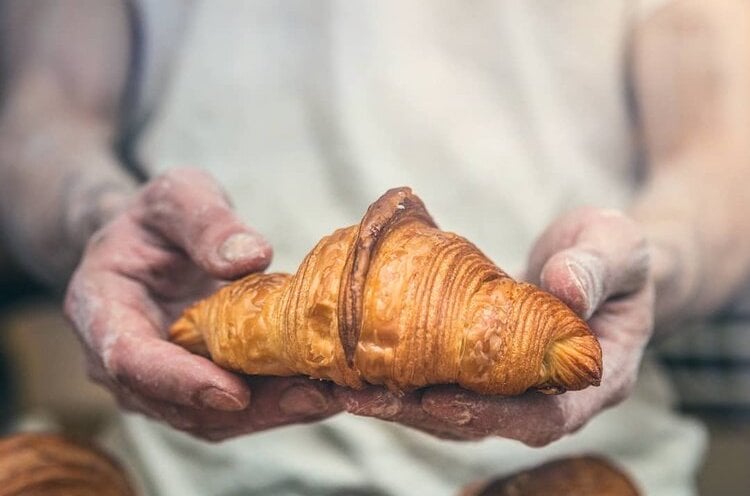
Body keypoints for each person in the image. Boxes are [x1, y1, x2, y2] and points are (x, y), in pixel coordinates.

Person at [1, 0, 749, 494]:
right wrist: (97, 216)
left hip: (571, 469)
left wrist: (648, 270)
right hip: (181, 465)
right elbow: (44, 113)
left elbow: (719, 167)